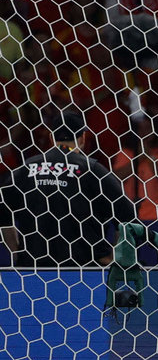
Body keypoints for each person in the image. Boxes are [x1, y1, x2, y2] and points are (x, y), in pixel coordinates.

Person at [0, 110, 135, 267]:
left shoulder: (26, 169)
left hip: (34, 270)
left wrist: (17, 253)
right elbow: (127, 219)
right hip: (85, 271)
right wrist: (114, 258)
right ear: (83, 138)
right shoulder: (92, 170)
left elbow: (3, 214)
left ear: (51, 137)